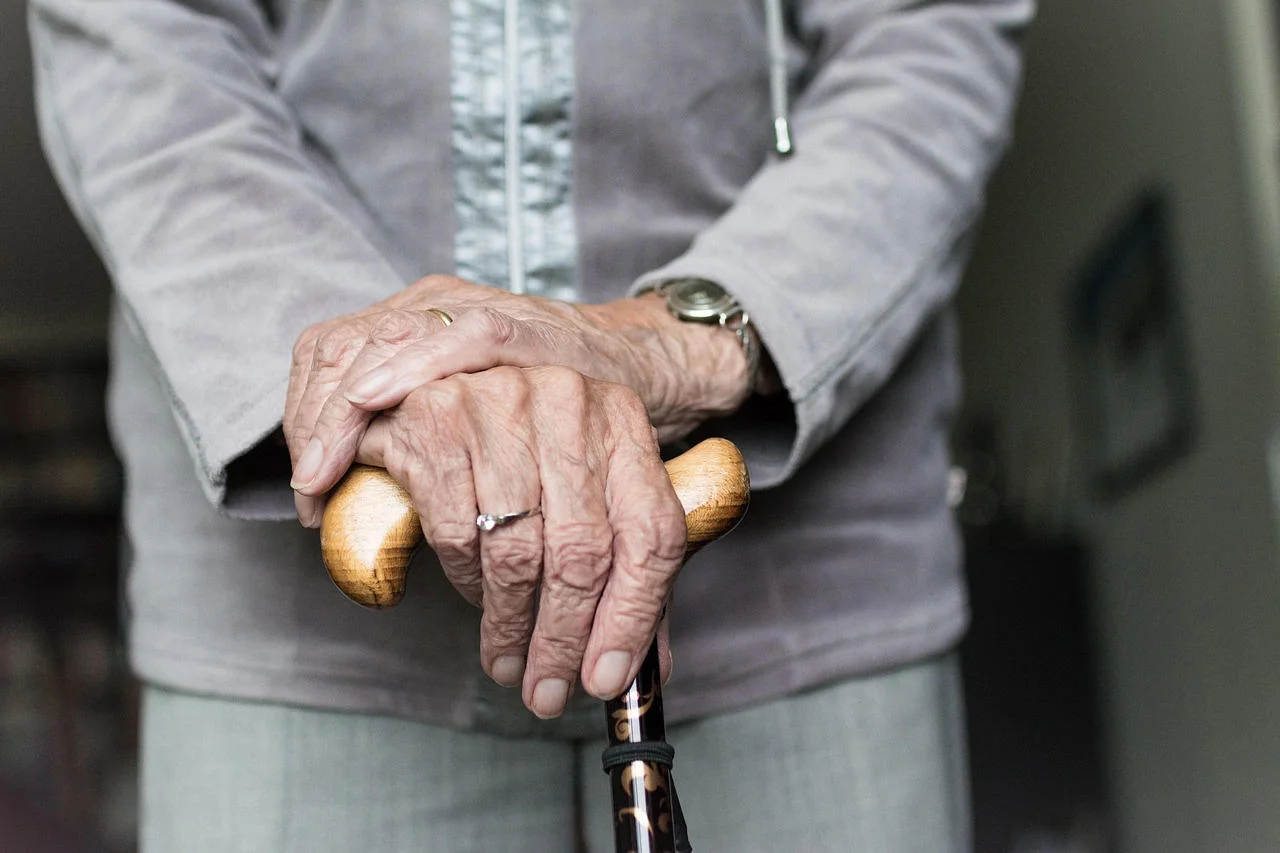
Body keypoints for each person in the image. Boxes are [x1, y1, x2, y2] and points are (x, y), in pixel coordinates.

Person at [30, 0, 1032, 849]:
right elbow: (147, 45)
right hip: (303, 638)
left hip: (803, 598)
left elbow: (921, 34)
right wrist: (397, 376)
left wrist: (681, 339)